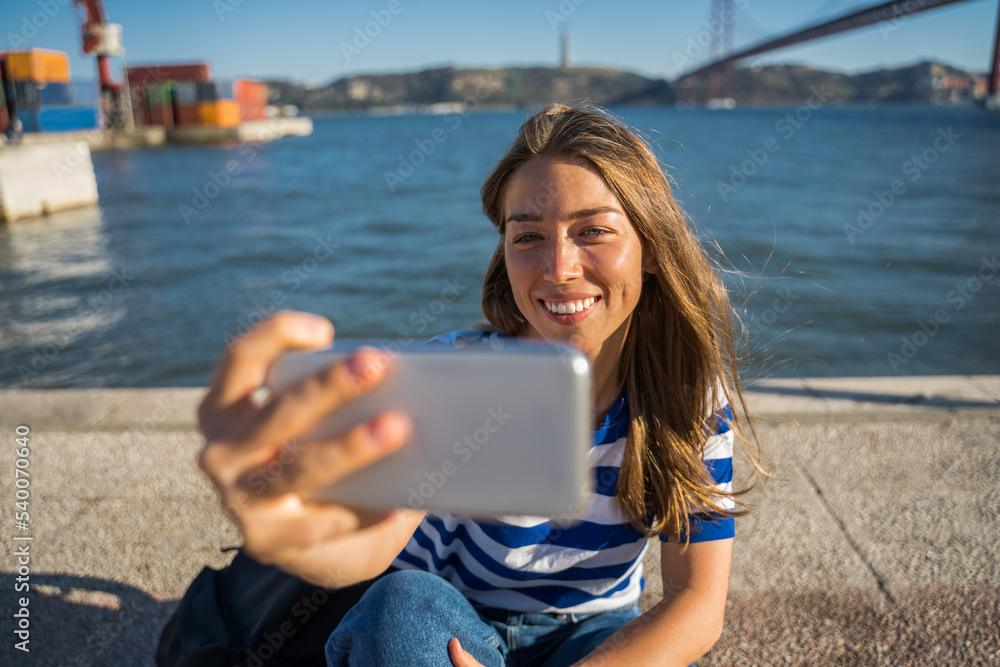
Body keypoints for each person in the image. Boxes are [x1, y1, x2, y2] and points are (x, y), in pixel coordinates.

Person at [196, 104, 762, 666]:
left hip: (595, 632)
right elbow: (370, 550)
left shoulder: (688, 399)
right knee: (398, 606)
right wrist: (307, 539)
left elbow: (696, 601)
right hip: (452, 619)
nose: (559, 267)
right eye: (528, 237)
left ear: (651, 250)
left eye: (593, 230)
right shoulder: (454, 377)